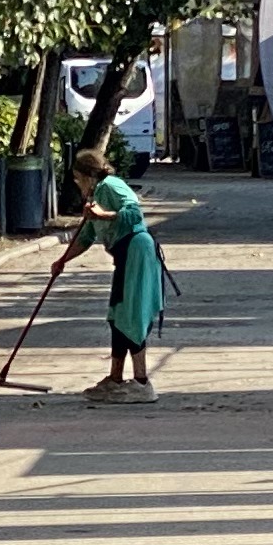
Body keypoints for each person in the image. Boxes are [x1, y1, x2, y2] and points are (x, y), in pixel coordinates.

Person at [51, 138, 167, 401]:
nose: (78, 185)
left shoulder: (111, 186)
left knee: (131, 314)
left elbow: (134, 213)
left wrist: (104, 215)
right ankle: (115, 378)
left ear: (88, 176)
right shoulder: (94, 199)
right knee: (116, 315)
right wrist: (62, 261)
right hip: (123, 255)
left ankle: (141, 382)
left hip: (136, 250)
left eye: (78, 179)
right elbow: (85, 238)